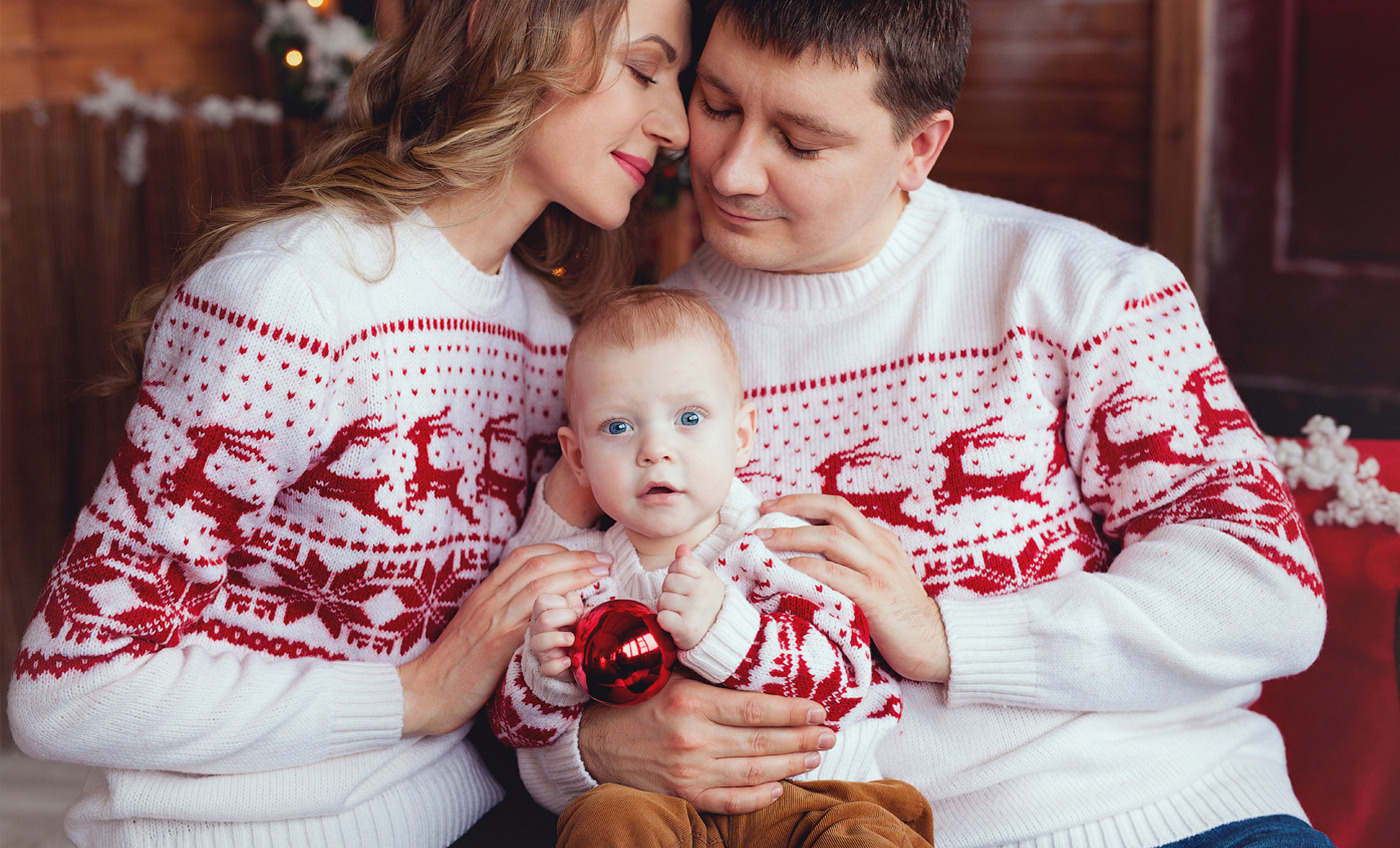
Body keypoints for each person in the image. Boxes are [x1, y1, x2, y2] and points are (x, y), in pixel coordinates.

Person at [510, 1, 1335, 846]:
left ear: (920, 147)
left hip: (1172, 810)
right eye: (717, 105)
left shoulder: (1077, 286)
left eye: (800, 142)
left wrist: (947, 635)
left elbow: (1264, 593)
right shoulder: (638, 362)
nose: (730, 172)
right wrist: (592, 751)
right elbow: (543, 653)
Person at [5, 0, 692, 845]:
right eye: (643, 69)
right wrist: (413, 695)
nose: (677, 125)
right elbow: (70, 690)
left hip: (470, 817)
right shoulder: (294, 297)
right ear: (511, 28)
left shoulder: (549, 334)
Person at [489, 287, 934, 847]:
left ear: (741, 435)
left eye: (689, 417)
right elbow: (510, 729)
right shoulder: (580, 580)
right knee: (607, 823)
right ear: (577, 458)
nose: (655, 449)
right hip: (657, 808)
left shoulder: (776, 549)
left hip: (813, 798)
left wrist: (728, 633)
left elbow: (844, 681)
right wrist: (544, 673)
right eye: (618, 427)